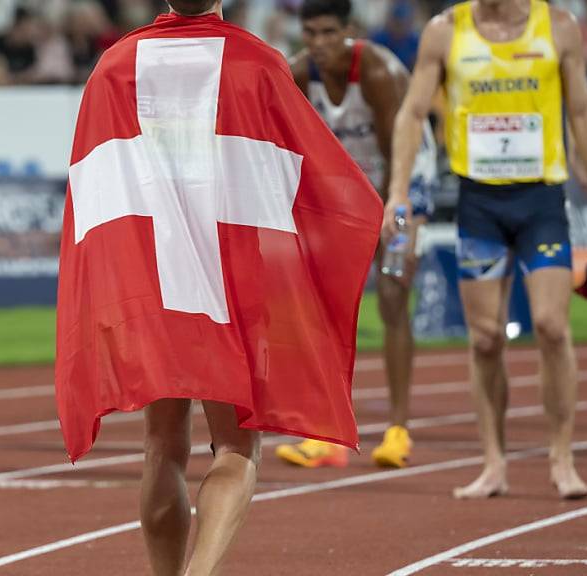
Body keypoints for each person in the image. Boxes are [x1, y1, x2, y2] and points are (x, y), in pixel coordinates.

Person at [55, 0, 382, 572]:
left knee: (162, 445)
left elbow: (93, 193)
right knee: (235, 447)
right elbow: (305, 177)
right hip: (233, 286)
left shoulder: (114, 66)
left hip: (152, 284)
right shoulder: (258, 64)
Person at [386, 0, 587, 499]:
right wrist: (398, 190)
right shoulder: (445, 31)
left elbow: (583, 109)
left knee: (550, 325)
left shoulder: (558, 28)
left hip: (540, 199)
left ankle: (562, 459)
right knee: (484, 339)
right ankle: (493, 463)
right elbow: (413, 111)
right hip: (479, 201)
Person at [275, 0, 438, 470]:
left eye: (329, 33)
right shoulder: (299, 74)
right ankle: (326, 433)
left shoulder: (379, 72)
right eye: (311, 34)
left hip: (403, 184)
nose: (319, 44)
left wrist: (393, 215)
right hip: (346, 191)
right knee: (322, 307)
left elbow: (397, 155)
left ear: (349, 30)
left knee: (392, 290)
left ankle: (398, 430)